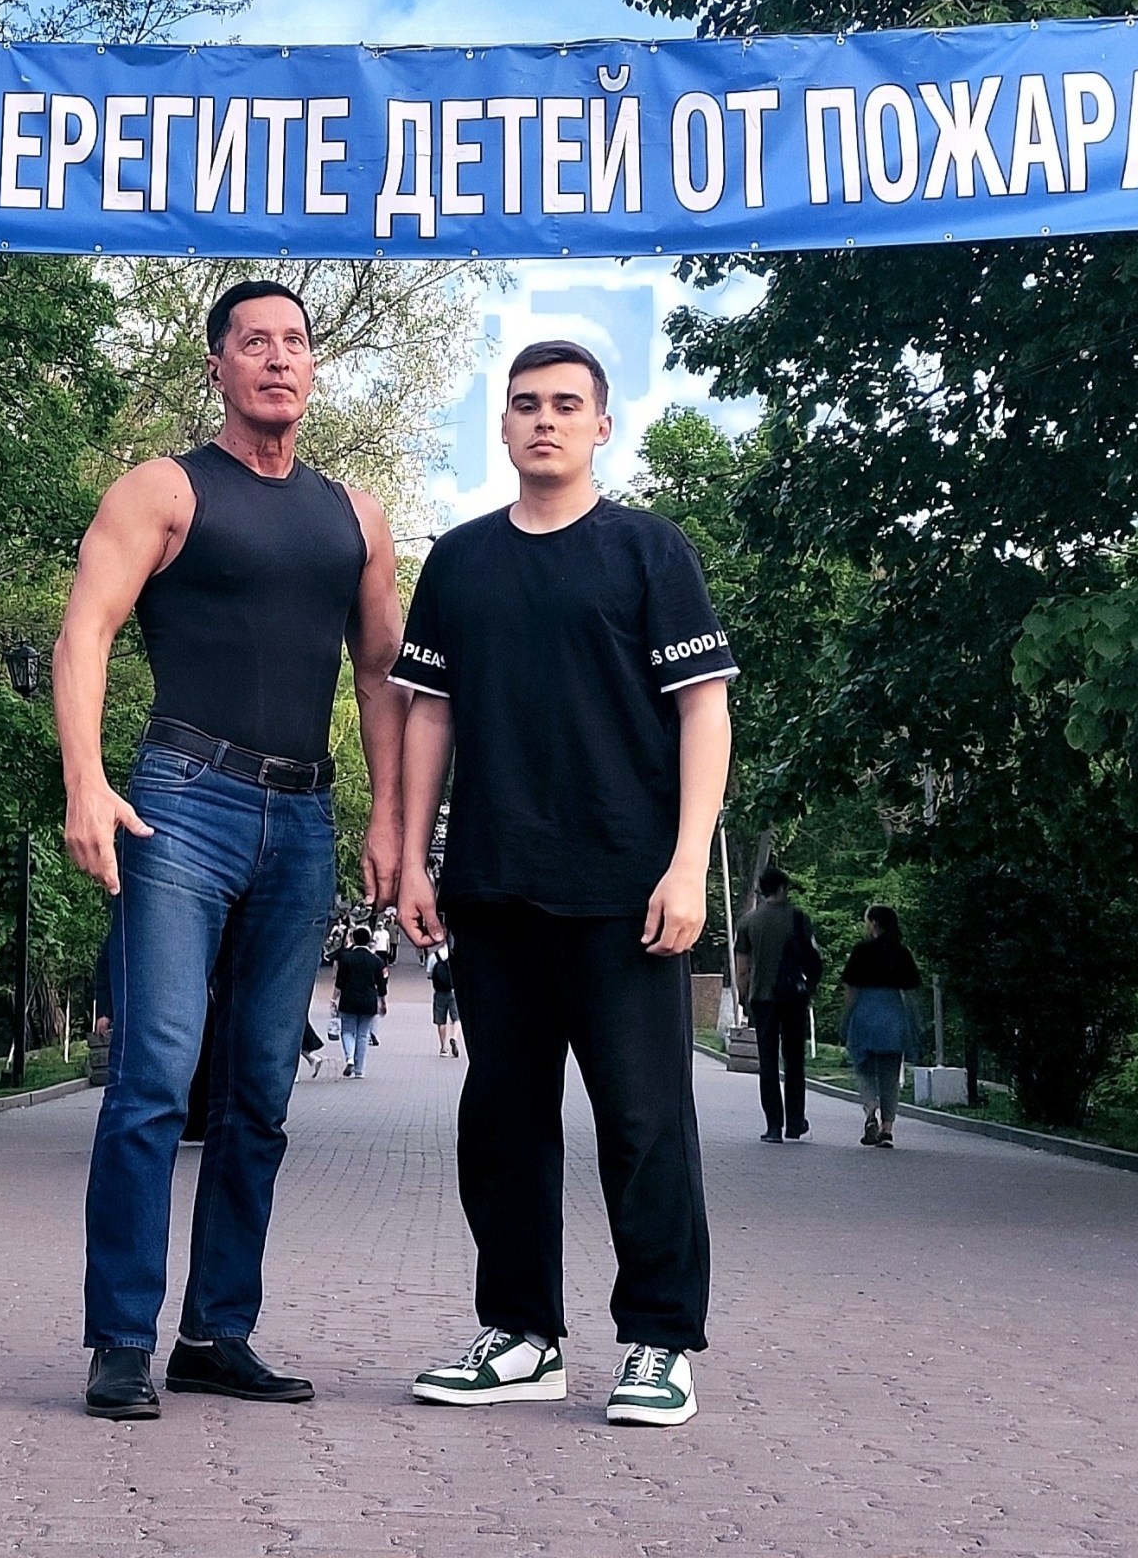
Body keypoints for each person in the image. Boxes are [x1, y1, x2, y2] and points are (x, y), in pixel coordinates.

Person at [53, 279, 408, 1421]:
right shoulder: (165, 490)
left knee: (260, 1089)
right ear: (218, 365)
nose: (278, 358)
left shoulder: (355, 516)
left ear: (313, 367)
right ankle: (121, 1340)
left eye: (294, 341)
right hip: (180, 803)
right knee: (156, 1076)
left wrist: (390, 821)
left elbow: (381, 676)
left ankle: (216, 1333)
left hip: (303, 819)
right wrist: (85, 781)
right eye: (254, 341)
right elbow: (86, 630)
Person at [394, 340, 736, 1428]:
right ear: (501, 425)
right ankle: (522, 1334)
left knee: (643, 1122)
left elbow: (704, 708)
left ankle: (660, 1342)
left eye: (566, 404)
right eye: (526, 404)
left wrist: (686, 863)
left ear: (600, 426)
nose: (544, 419)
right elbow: (429, 713)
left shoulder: (648, 550)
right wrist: (414, 855)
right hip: (494, 885)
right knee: (502, 1122)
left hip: (627, 889)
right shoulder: (459, 561)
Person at [735, 867, 822, 1144]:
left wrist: (743, 997)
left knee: (768, 1062)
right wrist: (810, 986)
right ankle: (795, 1122)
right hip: (793, 997)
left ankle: (773, 1126)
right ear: (783, 887)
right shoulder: (799, 917)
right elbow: (812, 955)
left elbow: (742, 968)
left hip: (763, 999)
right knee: (795, 1060)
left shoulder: (749, 921)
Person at [841, 905, 922, 1149]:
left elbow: (851, 989)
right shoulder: (902, 953)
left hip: (866, 1012)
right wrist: (914, 1023)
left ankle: (871, 1110)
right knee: (890, 1073)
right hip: (893, 1014)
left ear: (874, 923)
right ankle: (887, 1128)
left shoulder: (861, 951)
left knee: (864, 1067)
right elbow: (912, 992)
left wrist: (846, 1018)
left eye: (867, 921)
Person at [333, 927, 388, 1078]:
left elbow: (339, 982)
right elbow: (381, 985)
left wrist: (333, 998)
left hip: (348, 998)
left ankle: (349, 1057)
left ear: (353, 939)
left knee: (347, 1031)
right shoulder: (376, 960)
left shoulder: (346, 958)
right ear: (369, 940)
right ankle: (359, 1070)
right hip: (368, 1000)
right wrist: (383, 1002)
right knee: (363, 1035)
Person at [427, 945, 460, 1057]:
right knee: (456, 1018)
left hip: (439, 992)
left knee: (441, 1021)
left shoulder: (434, 956)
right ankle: (454, 1037)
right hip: (453, 991)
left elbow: (429, 974)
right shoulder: (456, 957)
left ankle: (443, 1048)